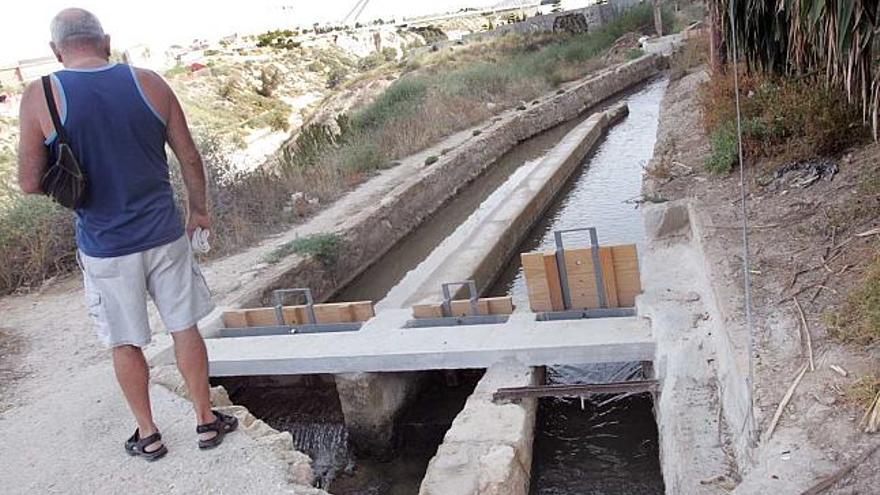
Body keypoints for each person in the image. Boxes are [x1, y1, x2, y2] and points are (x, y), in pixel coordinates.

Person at [16, 8, 237, 461]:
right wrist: (200, 212)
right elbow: (189, 157)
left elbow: (29, 182)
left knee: (125, 340)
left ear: (56, 51)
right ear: (106, 40)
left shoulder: (41, 95)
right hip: (164, 234)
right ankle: (206, 421)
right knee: (183, 327)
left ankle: (149, 435)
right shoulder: (150, 82)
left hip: (105, 246)